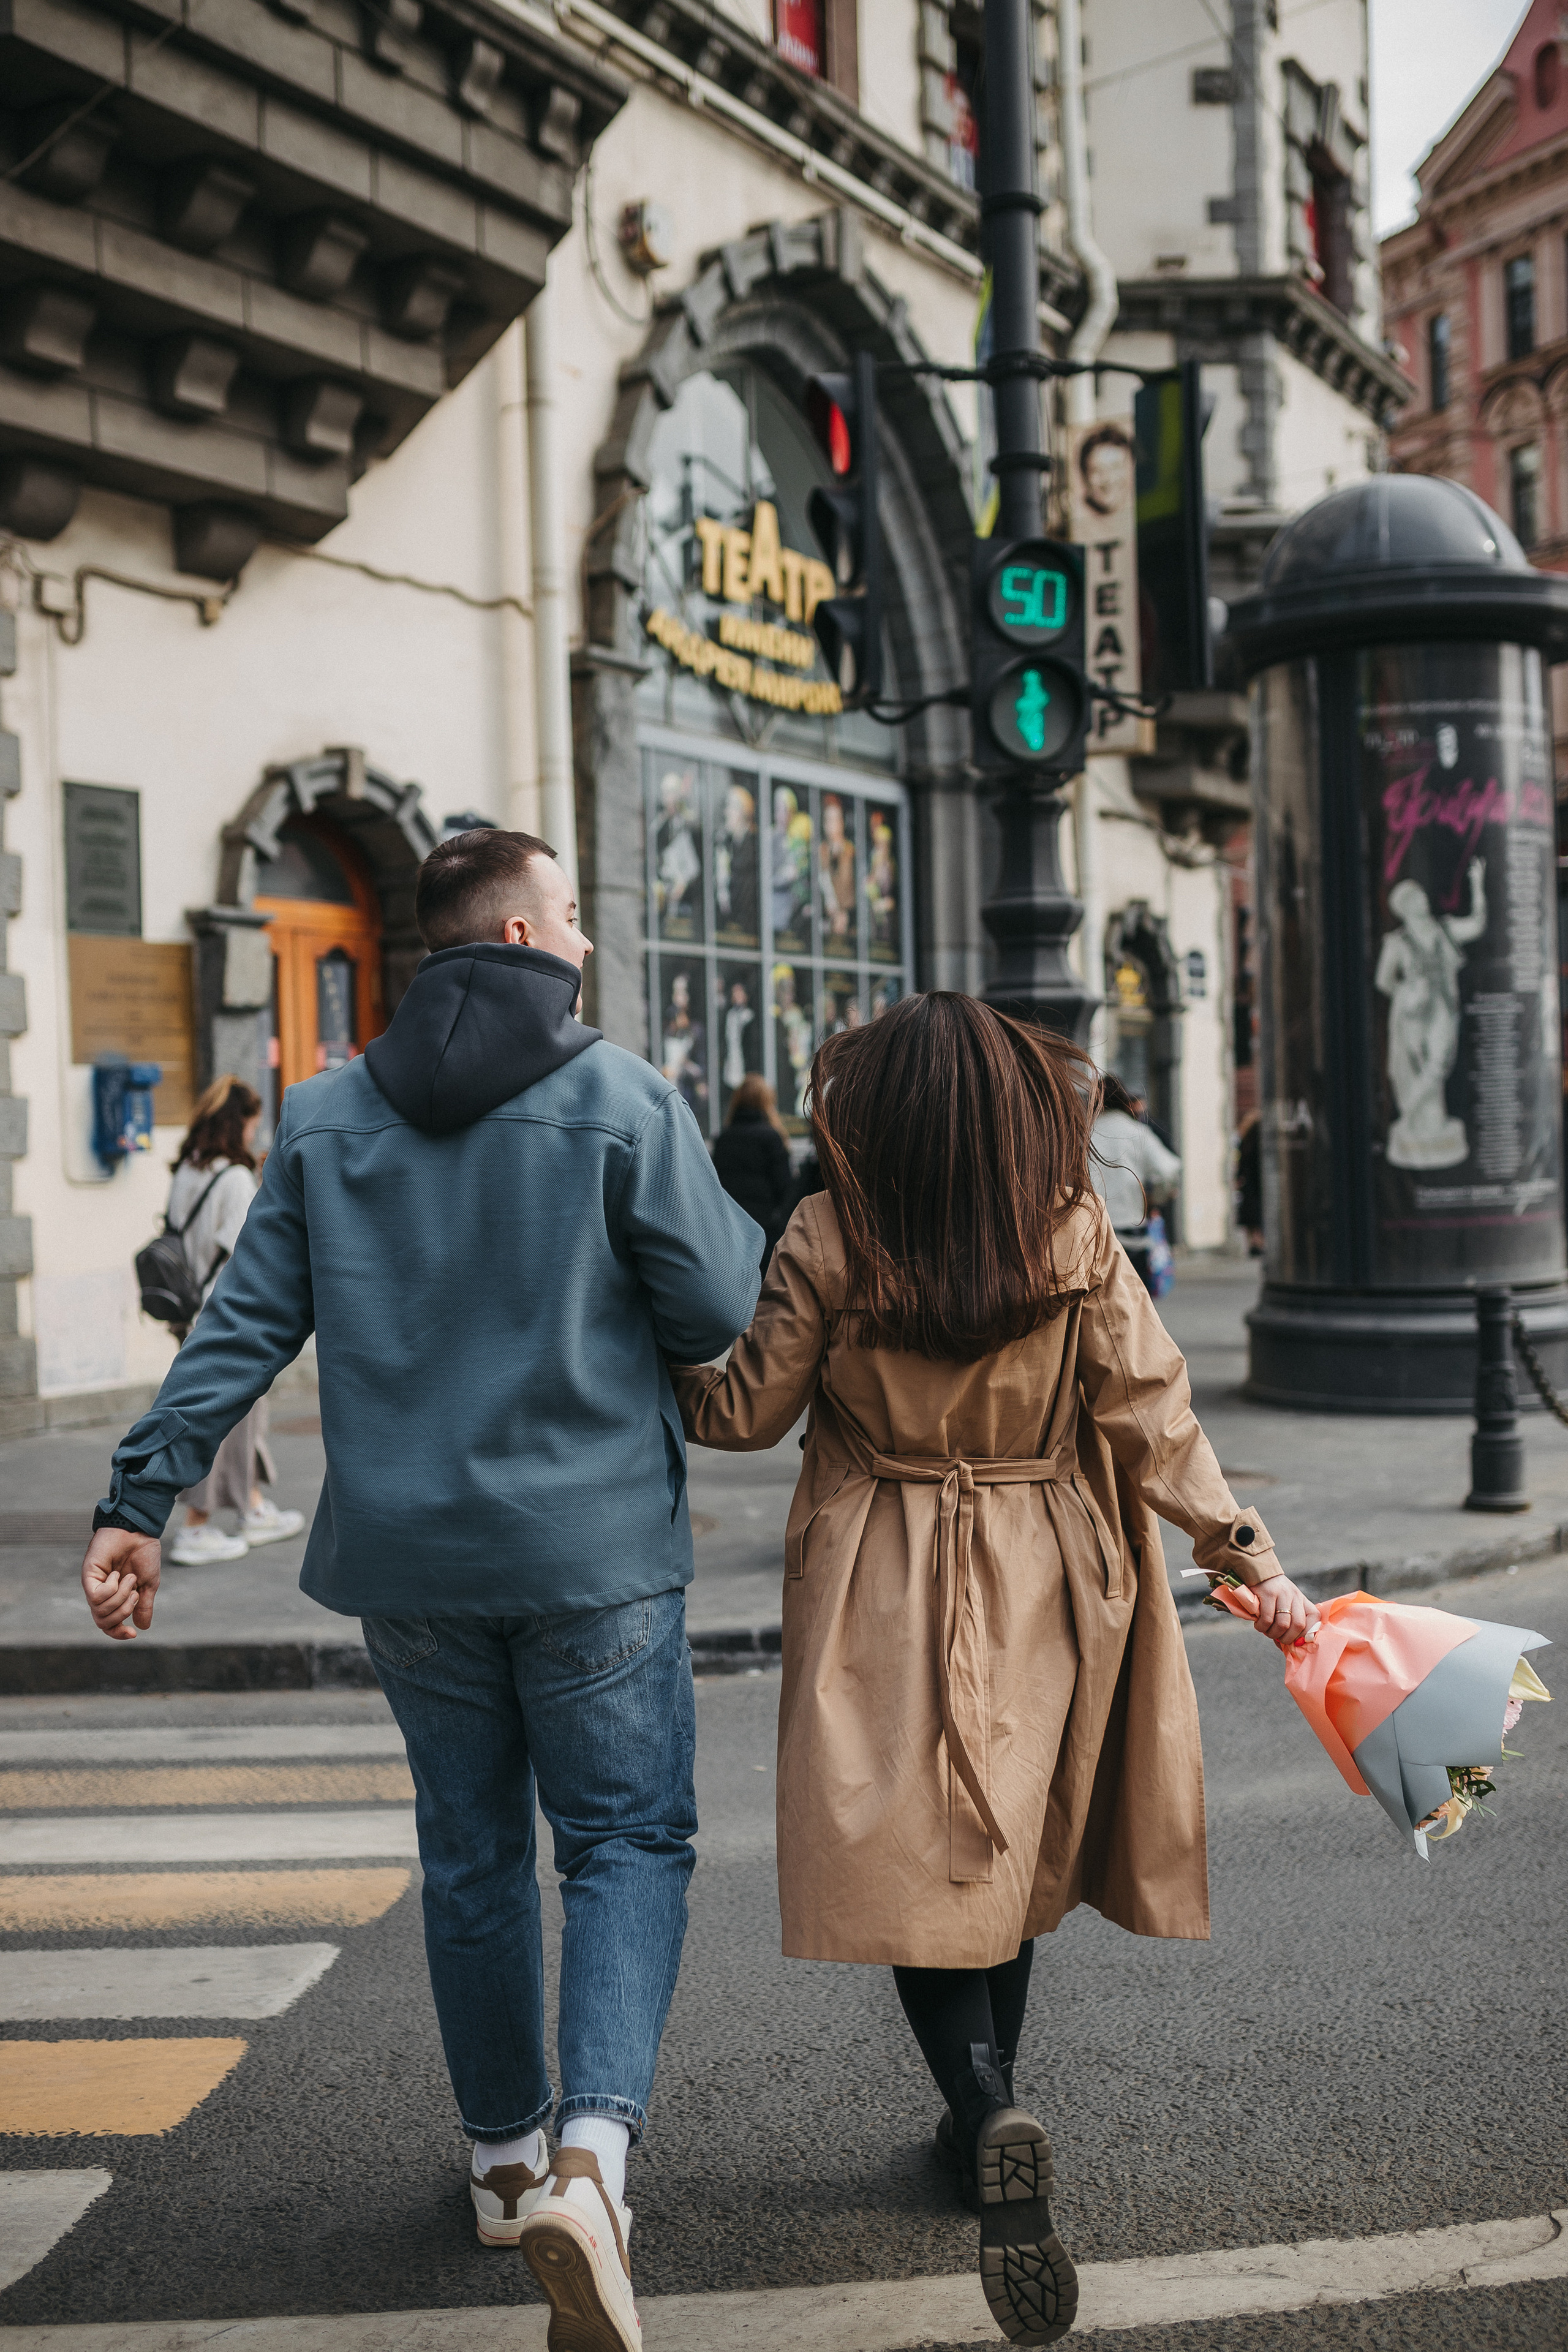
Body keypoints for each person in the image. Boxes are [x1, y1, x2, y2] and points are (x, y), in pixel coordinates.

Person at [80, 828, 762, 2352]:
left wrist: (137, 1501)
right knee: (626, 1843)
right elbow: (722, 1303)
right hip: (590, 1553)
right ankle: (593, 2160)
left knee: (467, 1857)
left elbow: (239, 1327)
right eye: (574, 918)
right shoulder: (615, 1094)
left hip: (412, 1564)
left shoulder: (323, 1117)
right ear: (523, 932)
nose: (585, 942)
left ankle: (502, 2158)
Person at [671, 995, 1317, 2347]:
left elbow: (741, 1411)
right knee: (1007, 1844)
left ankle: (978, 2106)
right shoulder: (1071, 1232)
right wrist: (1248, 1559)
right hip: (1050, 1565)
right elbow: (1153, 1415)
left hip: (878, 1570)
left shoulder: (828, 1233)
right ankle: (985, 2116)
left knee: (925, 1859)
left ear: (877, 1115)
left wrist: (651, 1344)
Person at [163, 1076, 304, 1567]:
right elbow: (252, 1255)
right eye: (250, 1121)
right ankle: (195, 1528)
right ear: (236, 1123)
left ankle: (254, 1509)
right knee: (225, 1420)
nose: (253, 1131)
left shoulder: (187, 1171)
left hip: (191, 1312)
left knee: (243, 1416)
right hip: (230, 1317)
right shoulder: (237, 1180)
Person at [1090, 1075, 1182, 1297]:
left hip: (1091, 1234)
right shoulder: (1137, 1132)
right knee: (1133, 1303)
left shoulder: (1083, 1133)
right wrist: (1154, 1199)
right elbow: (1169, 1170)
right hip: (1132, 1234)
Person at [712, 1076, 794, 1273]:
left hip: (731, 1229)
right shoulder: (772, 1138)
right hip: (765, 1231)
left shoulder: (724, 1139)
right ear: (767, 1102)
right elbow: (784, 1187)